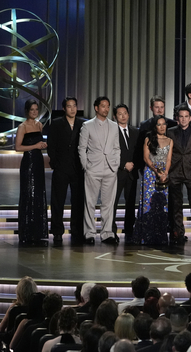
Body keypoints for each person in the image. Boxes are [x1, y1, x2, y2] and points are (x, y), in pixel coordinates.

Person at [79, 96, 121, 245]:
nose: (106, 109)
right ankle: (89, 233)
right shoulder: (87, 126)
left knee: (108, 203)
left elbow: (116, 147)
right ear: (96, 108)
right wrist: (86, 166)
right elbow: (82, 148)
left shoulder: (114, 125)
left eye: (108, 106)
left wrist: (115, 165)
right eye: (103, 106)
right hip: (93, 168)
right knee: (90, 202)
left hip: (110, 168)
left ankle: (107, 233)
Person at [47, 96, 85, 245]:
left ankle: (76, 230)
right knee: (58, 201)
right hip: (61, 167)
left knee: (78, 201)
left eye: (74, 106)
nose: (72, 109)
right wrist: (55, 163)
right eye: (69, 106)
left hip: (78, 168)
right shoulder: (56, 123)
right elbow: (51, 144)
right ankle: (57, 231)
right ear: (64, 109)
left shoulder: (83, 123)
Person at [168, 106, 191, 245]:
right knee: (176, 204)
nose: (183, 119)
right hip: (175, 171)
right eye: (181, 116)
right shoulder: (170, 132)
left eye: (186, 116)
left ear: (190, 118)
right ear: (177, 118)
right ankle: (179, 233)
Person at [133, 115, 172, 245]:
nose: (162, 127)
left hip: (163, 175)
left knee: (162, 205)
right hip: (151, 173)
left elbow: (168, 159)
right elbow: (146, 158)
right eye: (159, 124)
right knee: (148, 203)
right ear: (155, 127)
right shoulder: (148, 139)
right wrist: (156, 171)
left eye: (164, 124)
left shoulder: (170, 140)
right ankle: (146, 236)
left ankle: (160, 237)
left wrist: (165, 173)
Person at [15, 99, 48, 245]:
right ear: (27, 111)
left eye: (36, 109)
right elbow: (18, 147)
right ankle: (27, 233)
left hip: (39, 162)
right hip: (28, 163)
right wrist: (35, 145)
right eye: (31, 110)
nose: (34, 112)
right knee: (29, 194)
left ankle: (37, 233)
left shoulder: (39, 125)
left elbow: (38, 144)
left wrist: (43, 145)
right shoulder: (22, 126)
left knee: (38, 195)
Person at [112, 104, 139, 244]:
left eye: (125, 113)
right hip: (117, 172)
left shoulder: (136, 131)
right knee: (113, 203)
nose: (123, 116)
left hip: (132, 173)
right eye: (119, 114)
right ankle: (112, 230)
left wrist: (134, 165)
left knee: (130, 203)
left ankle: (129, 230)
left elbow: (138, 151)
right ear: (115, 116)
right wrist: (123, 164)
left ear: (128, 115)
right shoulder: (111, 131)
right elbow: (110, 152)